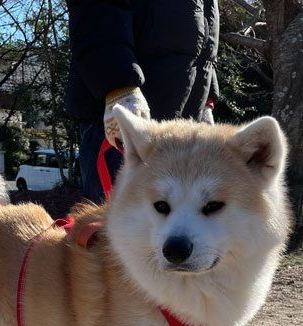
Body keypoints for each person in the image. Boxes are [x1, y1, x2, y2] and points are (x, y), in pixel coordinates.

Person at [66, 0, 219, 203]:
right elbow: (97, 9)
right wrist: (118, 84)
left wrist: (207, 97)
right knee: (112, 228)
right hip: (123, 110)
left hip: (183, 120)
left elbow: (204, 29)